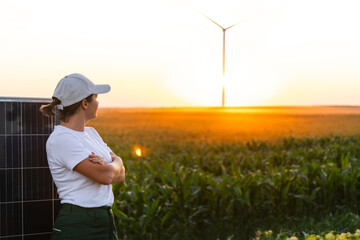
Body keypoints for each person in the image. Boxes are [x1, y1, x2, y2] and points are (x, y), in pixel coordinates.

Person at [40, 73, 125, 240]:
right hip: (79, 224)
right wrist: (117, 162)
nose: (99, 102)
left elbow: (121, 176)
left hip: (105, 220)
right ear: (85, 103)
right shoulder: (62, 139)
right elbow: (107, 176)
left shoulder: (92, 134)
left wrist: (114, 164)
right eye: (96, 98)